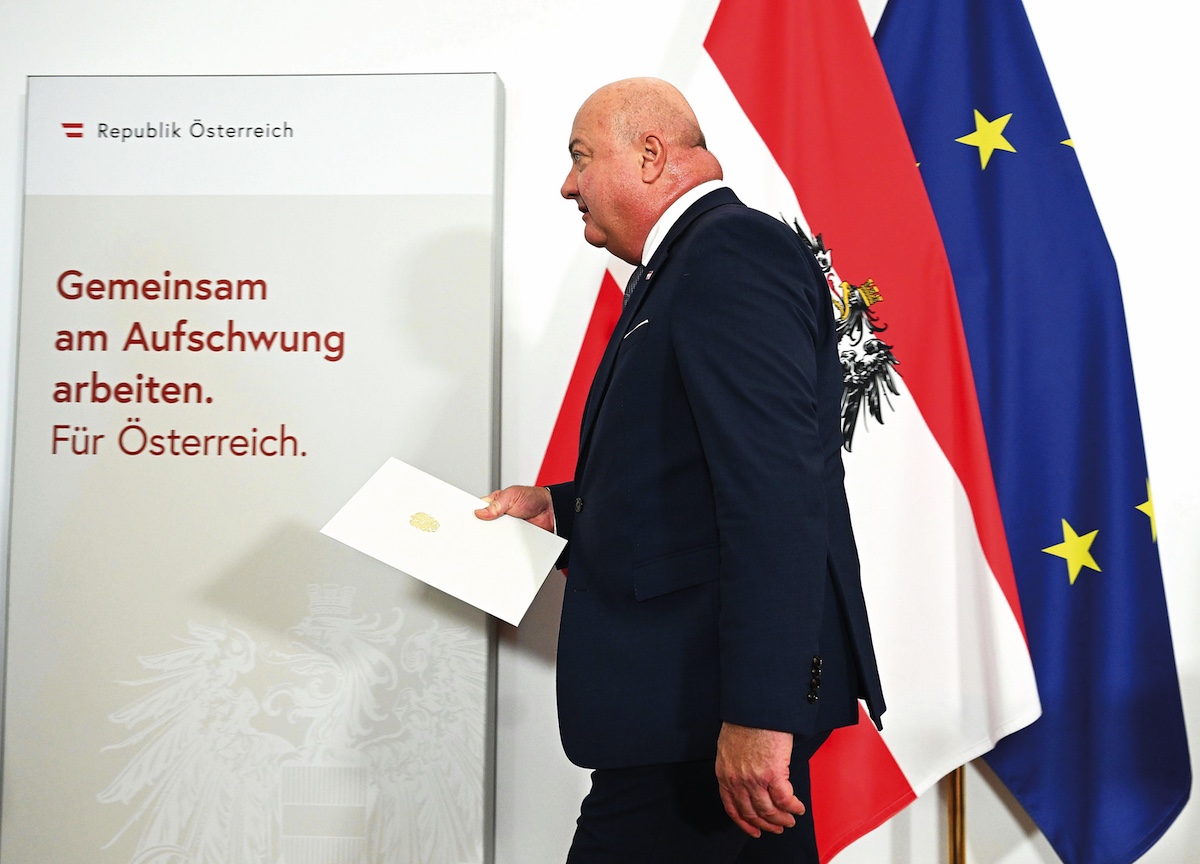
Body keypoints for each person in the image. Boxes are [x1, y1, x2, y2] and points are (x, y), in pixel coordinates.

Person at [476, 78, 885, 863]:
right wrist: (560, 509)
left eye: (580, 157)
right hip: (682, 714)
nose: (568, 184)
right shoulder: (681, 269)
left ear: (652, 155)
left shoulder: (730, 253)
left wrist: (762, 713)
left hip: (703, 715)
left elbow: (775, 493)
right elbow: (691, 479)